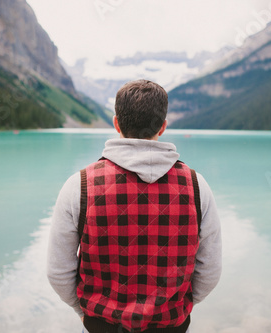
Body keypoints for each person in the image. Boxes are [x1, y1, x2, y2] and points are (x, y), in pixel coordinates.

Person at [47, 80, 222, 333]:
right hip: (171, 327)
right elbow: (210, 271)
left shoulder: (80, 185)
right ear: (162, 126)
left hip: (101, 327)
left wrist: (85, 314)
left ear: (116, 123)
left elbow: (58, 271)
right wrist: (179, 308)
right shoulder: (196, 186)